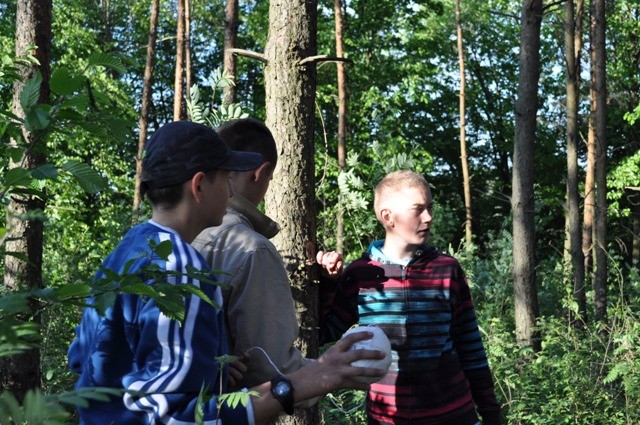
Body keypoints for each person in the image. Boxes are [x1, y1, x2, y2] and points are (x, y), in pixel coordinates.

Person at [67, 120, 386, 424]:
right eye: (224, 178)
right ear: (199, 186)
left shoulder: (128, 249)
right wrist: (315, 377)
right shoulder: (182, 269)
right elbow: (174, 417)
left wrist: (211, 369)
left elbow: (83, 357)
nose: (231, 191)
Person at [318, 170, 502, 425]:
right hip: (387, 419)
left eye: (430, 208)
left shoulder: (446, 269)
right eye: (418, 209)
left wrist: (491, 412)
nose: (429, 217)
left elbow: (470, 345)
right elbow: (323, 332)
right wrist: (327, 283)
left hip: (454, 414)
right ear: (387, 217)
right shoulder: (361, 274)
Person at [192, 118, 342, 393]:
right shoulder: (252, 249)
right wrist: (334, 371)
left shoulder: (176, 232)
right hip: (218, 410)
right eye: (270, 179)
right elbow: (270, 370)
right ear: (260, 173)